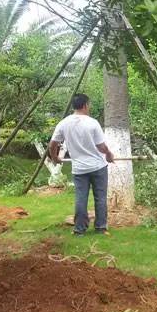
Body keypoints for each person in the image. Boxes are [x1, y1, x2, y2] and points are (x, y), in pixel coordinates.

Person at [49, 93, 115, 237]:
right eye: (89, 105)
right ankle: (101, 228)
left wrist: (54, 157)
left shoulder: (64, 123)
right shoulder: (92, 123)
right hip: (98, 166)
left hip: (79, 169)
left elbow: (53, 143)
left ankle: (79, 230)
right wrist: (109, 154)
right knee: (100, 197)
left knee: (81, 198)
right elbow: (101, 146)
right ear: (85, 105)